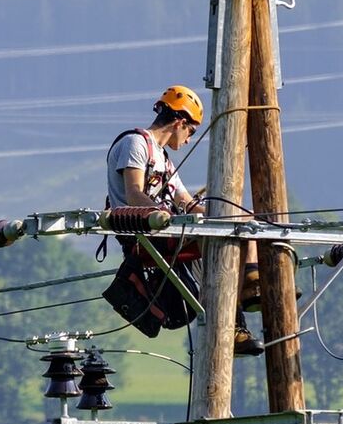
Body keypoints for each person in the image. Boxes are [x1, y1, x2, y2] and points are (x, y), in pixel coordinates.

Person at [103, 85, 264, 356]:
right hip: (143, 234)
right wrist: (163, 214)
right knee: (216, 243)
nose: (188, 140)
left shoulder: (165, 161)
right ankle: (238, 311)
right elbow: (134, 194)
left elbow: (186, 202)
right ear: (179, 122)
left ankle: (250, 288)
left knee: (238, 229)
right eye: (191, 131)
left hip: (167, 231)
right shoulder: (135, 143)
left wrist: (230, 217)